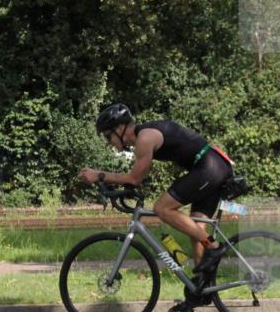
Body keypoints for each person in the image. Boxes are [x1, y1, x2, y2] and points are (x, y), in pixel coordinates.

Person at [78, 103, 231, 274]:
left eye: (108, 137)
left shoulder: (145, 138)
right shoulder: (144, 138)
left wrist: (99, 175)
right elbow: (138, 177)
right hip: (212, 166)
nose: (109, 143)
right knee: (196, 229)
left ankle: (214, 247)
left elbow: (134, 178)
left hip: (209, 167)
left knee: (162, 208)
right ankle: (202, 290)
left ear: (120, 128)